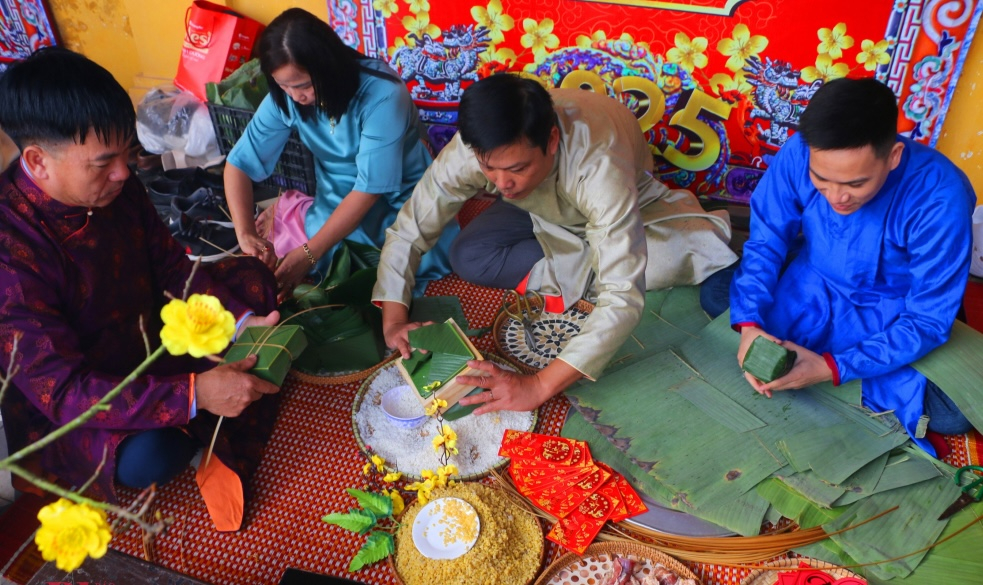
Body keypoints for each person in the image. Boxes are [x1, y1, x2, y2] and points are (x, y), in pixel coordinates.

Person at [0, 47, 282, 531]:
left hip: (150, 332)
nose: (124, 174)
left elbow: (172, 266)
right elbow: (65, 392)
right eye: (103, 162)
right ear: (38, 162)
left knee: (255, 285)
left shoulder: (118, 183)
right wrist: (193, 395)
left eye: (127, 154)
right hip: (85, 394)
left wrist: (236, 320)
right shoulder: (10, 252)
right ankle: (198, 429)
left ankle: (205, 414)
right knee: (147, 457)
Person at [374, 73, 738, 414]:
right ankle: (598, 257)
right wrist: (393, 322)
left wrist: (537, 386)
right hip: (536, 208)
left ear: (550, 141)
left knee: (645, 271)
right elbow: (410, 229)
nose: (501, 183)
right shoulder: (479, 150)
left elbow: (623, 297)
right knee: (468, 256)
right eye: (490, 169)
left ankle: (613, 252)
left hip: (629, 204)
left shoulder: (598, 165)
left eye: (516, 168)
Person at [723, 77, 976, 455]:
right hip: (812, 284)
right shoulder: (800, 151)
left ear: (892, 157)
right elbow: (766, 240)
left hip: (892, 309)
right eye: (821, 180)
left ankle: (828, 361)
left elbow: (927, 318)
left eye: (855, 184)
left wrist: (831, 367)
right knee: (724, 296)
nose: (836, 197)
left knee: (955, 412)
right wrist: (748, 326)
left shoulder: (941, 196)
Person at [224, 7, 456, 297]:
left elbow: (369, 189)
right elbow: (239, 163)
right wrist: (244, 233)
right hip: (335, 201)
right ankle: (298, 214)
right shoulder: (288, 97)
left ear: (328, 66)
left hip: (400, 202)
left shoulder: (382, 94)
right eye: (284, 86)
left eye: (304, 85)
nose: (296, 97)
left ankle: (294, 214)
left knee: (396, 264)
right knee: (326, 255)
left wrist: (309, 253)